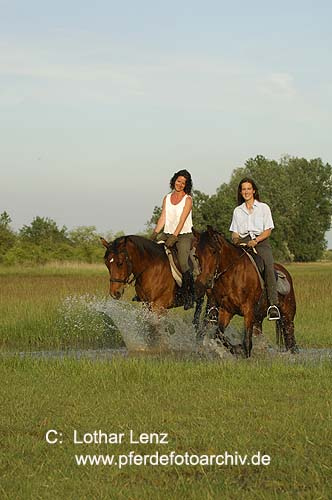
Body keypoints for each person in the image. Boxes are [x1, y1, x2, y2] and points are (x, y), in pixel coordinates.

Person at [229, 177, 280, 320]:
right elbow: (234, 232)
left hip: (261, 242)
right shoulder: (237, 211)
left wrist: (255, 240)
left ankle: (273, 304)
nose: (246, 192)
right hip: (243, 243)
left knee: (269, 267)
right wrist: (236, 240)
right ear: (240, 192)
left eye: (248, 189)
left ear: (254, 191)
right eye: (243, 189)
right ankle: (218, 304)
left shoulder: (264, 208)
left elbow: (268, 230)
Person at [150, 169, 194, 310]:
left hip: (183, 235)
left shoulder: (188, 199)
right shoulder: (167, 198)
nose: (180, 184)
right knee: (151, 256)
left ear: (186, 185)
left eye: (183, 183)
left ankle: (188, 295)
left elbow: (182, 220)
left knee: (182, 260)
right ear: (174, 180)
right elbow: (163, 217)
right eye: (179, 181)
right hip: (167, 234)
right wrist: (154, 234)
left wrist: (175, 236)